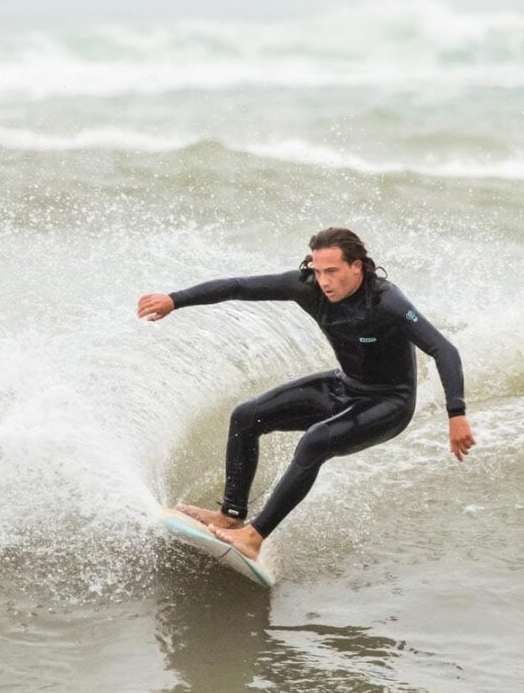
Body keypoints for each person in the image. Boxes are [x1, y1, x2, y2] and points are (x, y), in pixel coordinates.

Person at [136, 227, 474, 560]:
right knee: (246, 416)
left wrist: (456, 413)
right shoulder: (309, 289)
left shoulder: (387, 302)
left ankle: (253, 538)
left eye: (332, 271)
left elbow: (444, 350)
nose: (324, 281)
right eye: (318, 271)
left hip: (389, 402)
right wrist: (175, 300)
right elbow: (239, 286)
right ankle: (231, 514)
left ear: (356, 266)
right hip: (346, 386)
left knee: (315, 441)